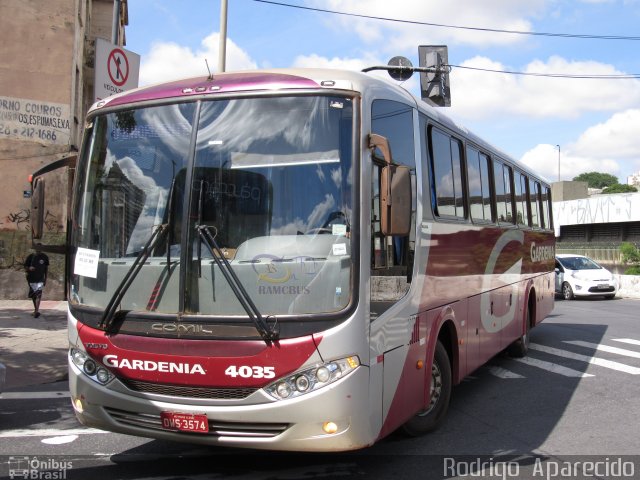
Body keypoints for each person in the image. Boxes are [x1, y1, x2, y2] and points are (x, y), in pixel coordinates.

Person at [24, 247, 49, 318]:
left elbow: (46, 268)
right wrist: (29, 268)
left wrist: (45, 279)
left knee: (39, 294)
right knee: (34, 296)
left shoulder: (45, 257)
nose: (39, 251)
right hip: (31, 279)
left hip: (40, 279)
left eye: (40, 249)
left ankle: (36, 311)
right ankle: (36, 309)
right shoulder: (31, 256)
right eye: (37, 249)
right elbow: (25, 266)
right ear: (35, 249)